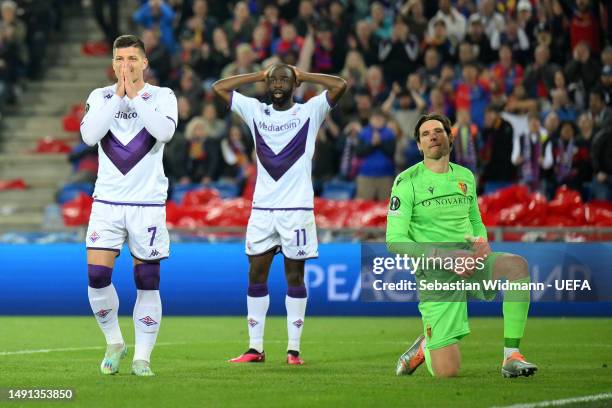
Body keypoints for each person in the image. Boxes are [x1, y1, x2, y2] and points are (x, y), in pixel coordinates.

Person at [212, 63, 346, 365]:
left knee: (294, 276)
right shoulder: (256, 111)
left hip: (296, 210)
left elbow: (340, 85)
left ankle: (293, 350)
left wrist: (305, 74)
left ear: (294, 84)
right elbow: (219, 87)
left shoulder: (309, 111)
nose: (277, 84)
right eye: (273, 79)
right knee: (256, 274)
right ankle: (255, 348)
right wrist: (257, 75)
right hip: (263, 209)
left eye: (284, 79)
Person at [386, 113, 537, 378]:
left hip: (470, 261)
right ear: (420, 146)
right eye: (425, 134)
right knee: (447, 372)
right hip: (436, 272)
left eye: (438, 131)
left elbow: (475, 220)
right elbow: (395, 240)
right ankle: (426, 344)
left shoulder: (465, 176)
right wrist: (444, 257)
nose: (433, 135)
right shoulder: (406, 181)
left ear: (450, 138)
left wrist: (481, 245)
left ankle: (511, 356)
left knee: (516, 266)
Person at [79, 34, 178, 377]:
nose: (126, 65)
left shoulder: (163, 96)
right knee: (96, 276)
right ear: (112, 63)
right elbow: (89, 136)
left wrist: (134, 96)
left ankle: (143, 358)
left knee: (147, 281)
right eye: (120, 59)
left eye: (132, 59)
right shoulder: (100, 96)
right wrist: (118, 96)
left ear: (145, 63)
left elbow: (163, 132)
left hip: (147, 203)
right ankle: (115, 341)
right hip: (107, 201)